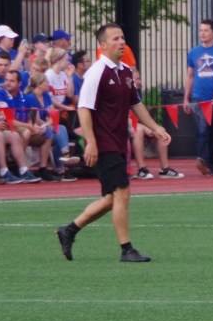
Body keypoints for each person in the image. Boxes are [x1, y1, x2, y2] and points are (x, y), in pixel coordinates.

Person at [55, 23, 171, 263]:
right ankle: (126, 249)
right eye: (116, 39)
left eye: (122, 37)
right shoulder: (96, 72)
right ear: (103, 45)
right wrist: (91, 142)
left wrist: (156, 128)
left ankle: (69, 230)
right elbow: (84, 108)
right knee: (123, 192)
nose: (121, 42)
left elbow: (136, 105)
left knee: (112, 199)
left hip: (118, 142)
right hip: (104, 143)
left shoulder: (126, 71)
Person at [183, 18, 213, 176]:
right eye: (201, 30)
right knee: (202, 129)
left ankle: (211, 164)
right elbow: (190, 76)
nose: (202, 33)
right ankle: (202, 159)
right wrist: (186, 98)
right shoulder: (193, 53)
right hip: (199, 98)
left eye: (206, 30)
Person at [0, 69, 53, 180]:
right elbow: (7, 120)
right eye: (6, 80)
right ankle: (17, 167)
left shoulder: (25, 97)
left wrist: (34, 126)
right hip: (10, 127)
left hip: (21, 127)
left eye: (12, 81)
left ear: (19, 83)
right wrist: (29, 126)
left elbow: (32, 117)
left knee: (47, 133)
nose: (8, 83)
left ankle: (43, 169)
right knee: (25, 132)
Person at [130, 69, 184, 179]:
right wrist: (144, 127)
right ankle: (142, 169)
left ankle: (165, 169)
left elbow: (142, 115)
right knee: (138, 130)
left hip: (137, 124)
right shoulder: (123, 92)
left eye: (140, 79)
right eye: (137, 79)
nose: (140, 81)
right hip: (125, 124)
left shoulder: (137, 94)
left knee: (160, 131)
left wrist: (153, 128)